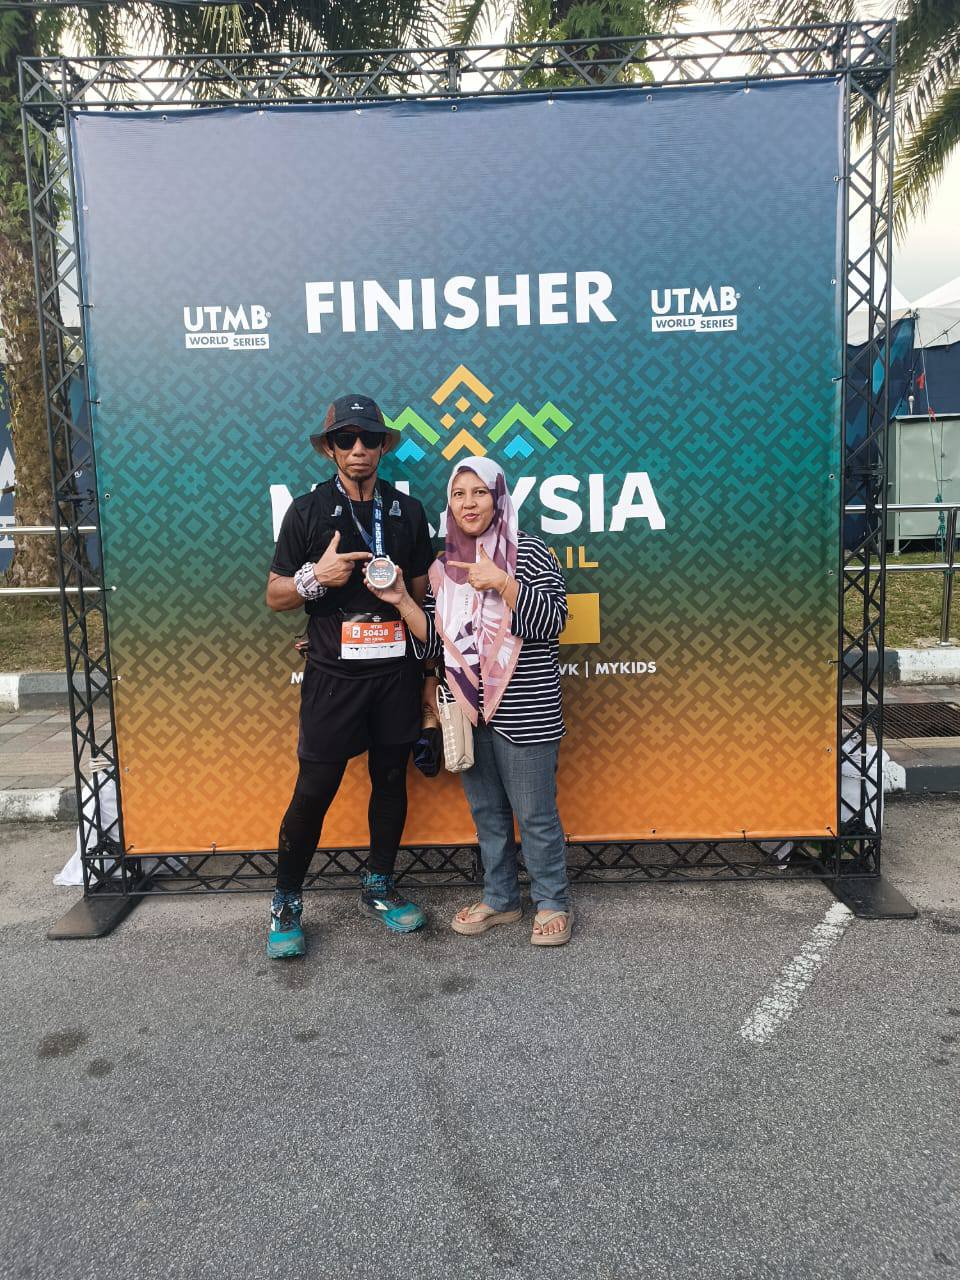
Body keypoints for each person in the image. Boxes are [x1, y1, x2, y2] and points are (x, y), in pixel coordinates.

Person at [366, 457, 573, 945]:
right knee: (488, 816)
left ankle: (552, 902)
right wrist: (401, 600)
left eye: (479, 492)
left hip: (525, 709)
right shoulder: (444, 566)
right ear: (450, 505)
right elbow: (437, 645)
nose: (469, 503)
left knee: (536, 815)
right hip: (469, 709)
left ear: (498, 497)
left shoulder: (530, 551)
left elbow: (553, 621)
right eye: (459, 495)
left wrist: (503, 583)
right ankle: (501, 899)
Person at [264, 394, 435, 958]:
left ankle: (379, 885)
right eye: (346, 439)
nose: (358, 449)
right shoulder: (307, 511)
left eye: (369, 438)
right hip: (334, 678)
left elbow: (420, 597)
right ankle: (286, 901)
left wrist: (428, 676)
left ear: (383, 446)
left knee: (390, 781)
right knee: (314, 789)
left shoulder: (408, 512)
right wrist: (317, 577)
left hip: (395, 675)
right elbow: (275, 596)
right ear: (330, 449)